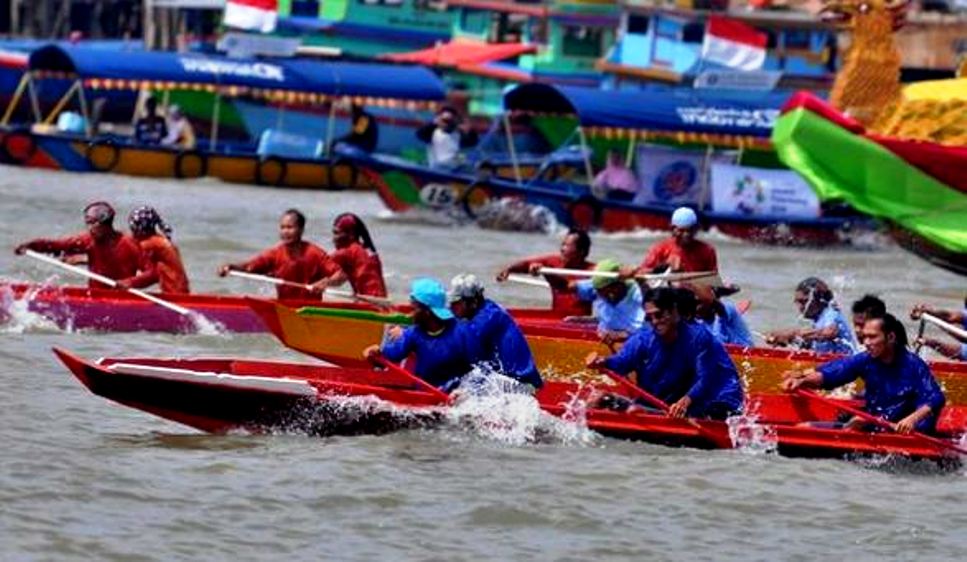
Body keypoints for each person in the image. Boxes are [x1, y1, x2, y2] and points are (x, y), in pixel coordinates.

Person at [586, 287, 745, 420]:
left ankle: (645, 413)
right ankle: (646, 412)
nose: (655, 322)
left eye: (660, 315)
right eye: (649, 318)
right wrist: (603, 362)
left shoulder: (699, 337)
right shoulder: (642, 339)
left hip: (712, 400)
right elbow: (621, 363)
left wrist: (687, 400)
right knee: (597, 399)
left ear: (675, 311)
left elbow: (706, 379)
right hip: (670, 404)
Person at [782, 314, 946, 434]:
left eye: (872, 337)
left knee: (855, 425)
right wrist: (802, 380)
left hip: (907, 432)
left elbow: (936, 398)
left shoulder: (913, 364)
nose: (866, 343)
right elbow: (833, 373)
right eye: (864, 337)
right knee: (802, 429)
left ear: (890, 337)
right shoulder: (867, 359)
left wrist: (912, 419)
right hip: (877, 423)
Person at [364, 278, 476, 390]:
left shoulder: (462, 331)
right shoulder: (414, 333)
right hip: (425, 393)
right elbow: (391, 355)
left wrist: (463, 392)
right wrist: (376, 353)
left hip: (455, 395)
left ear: (427, 311)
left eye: (414, 308)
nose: (410, 314)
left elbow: (478, 367)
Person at [218, 209, 346, 300]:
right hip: (284, 310)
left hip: (311, 310)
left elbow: (341, 275)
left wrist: (327, 282)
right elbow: (249, 267)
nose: (285, 232)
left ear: (301, 229)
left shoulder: (315, 253)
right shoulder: (275, 254)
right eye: (282, 227)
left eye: (290, 227)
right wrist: (231, 267)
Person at [14, 201, 142, 289]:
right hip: (95, 296)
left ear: (106, 224)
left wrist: (131, 282)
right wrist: (30, 245)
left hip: (123, 297)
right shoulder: (87, 240)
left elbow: (152, 271)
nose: (90, 228)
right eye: (88, 224)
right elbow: (56, 246)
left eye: (93, 224)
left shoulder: (129, 243)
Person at [448, 273, 543, 389]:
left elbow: (466, 362)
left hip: (520, 385)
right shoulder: (489, 309)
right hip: (514, 381)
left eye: (456, 303)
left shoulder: (484, 323)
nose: (451, 307)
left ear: (473, 302)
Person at [495, 229, 595, 315]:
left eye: (567, 245)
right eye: (562, 244)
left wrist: (545, 272)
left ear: (581, 251)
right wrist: (508, 269)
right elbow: (527, 264)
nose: (562, 249)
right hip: (556, 319)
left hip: (581, 321)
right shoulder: (553, 262)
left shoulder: (592, 271)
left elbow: (566, 287)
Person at [765, 277, 857, 355]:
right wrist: (787, 341)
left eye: (803, 301)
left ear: (819, 300)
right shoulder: (818, 319)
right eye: (797, 301)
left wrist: (792, 334)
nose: (799, 307)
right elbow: (815, 343)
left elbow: (828, 333)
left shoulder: (831, 313)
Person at [620, 207, 717, 277]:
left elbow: (713, 279)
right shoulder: (660, 248)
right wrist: (663, 268)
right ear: (672, 228)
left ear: (696, 229)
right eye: (681, 230)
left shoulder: (708, 251)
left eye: (690, 230)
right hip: (667, 294)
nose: (686, 234)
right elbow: (642, 271)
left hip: (696, 296)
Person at [119, 206, 190, 294]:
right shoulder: (159, 239)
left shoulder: (150, 244)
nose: (132, 232)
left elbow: (152, 275)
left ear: (140, 230)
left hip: (174, 294)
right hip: (181, 291)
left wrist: (130, 282)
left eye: (132, 229)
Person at [571, 258, 644, 345]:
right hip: (603, 338)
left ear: (618, 284)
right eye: (602, 293)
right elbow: (568, 286)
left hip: (633, 342)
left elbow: (650, 330)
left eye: (610, 291)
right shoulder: (597, 287)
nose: (609, 296)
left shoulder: (639, 293)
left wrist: (624, 335)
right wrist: (588, 320)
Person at [330, 213, 388, 298]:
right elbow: (339, 280)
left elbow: (318, 264)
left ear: (351, 235)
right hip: (382, 304)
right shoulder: (368, 252)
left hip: (369, 305)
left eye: (336, 233)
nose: (333, 239)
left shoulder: (347, 252)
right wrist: (323, 283)